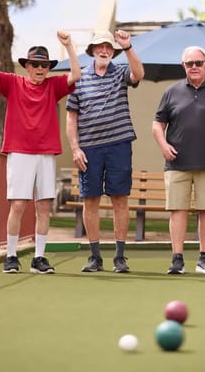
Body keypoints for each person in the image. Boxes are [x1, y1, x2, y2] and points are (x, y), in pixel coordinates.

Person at [0, 26, 81, 274]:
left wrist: (69, 46)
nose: (39, 69)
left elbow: (76, 75)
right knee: (18, 205)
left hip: (45, 153)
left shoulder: (54, 86)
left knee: (44, 206)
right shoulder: (13, 82)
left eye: (44, 65)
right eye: (35, 64)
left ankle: (39, 258)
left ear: (49, 68)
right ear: (27, 66)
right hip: (20, 153)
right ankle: (11, 256)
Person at [152, 46, 205, 274]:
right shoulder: (171, 92)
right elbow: (157, 124)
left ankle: (204, 259)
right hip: (177, 162)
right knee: (177, 210)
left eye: (198, 63)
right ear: (183, 66)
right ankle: (177, 259)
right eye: (189, 64)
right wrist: (163, 145)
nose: (194, 67)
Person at [65, 30, 145, 273]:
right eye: (100, 47)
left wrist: (128, 47)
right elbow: (71, 118)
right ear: (92, 50)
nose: (105, 51)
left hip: (119, 145)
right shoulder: (78, 78)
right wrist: (75, 148)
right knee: (90, 200)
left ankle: (120, 257)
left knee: (120, 199)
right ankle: (95, 257)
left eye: (109, 48)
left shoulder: (120, 71)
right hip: (89, 149)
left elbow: (139, 74)